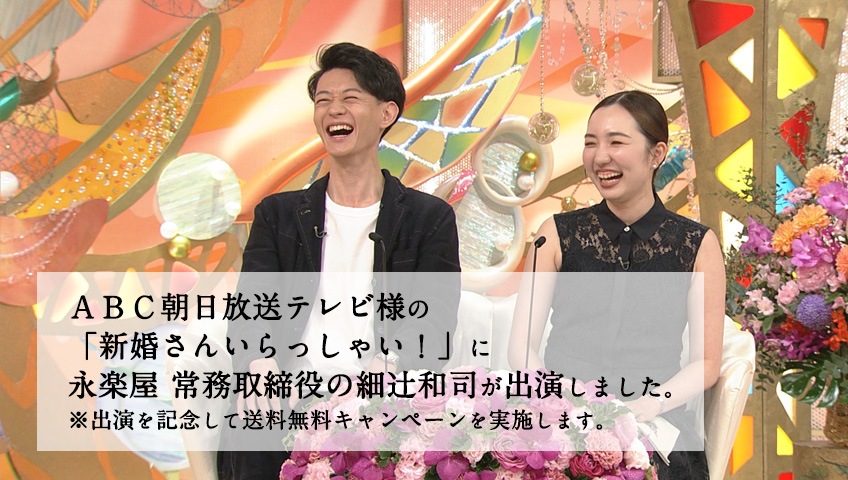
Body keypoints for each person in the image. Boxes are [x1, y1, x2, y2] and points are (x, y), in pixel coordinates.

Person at [217, 42, 461, 480]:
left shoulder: (429, 219)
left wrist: (389, 367)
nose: (334, 110)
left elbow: (434, 321)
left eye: (350, 98)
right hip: (289, 398)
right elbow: (252, 308)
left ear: (386, 113)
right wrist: (259, 361)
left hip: (379, 402)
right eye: (323, 100)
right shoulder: (278, 215)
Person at [508, 91, 724, 479]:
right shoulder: (555, 234)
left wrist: (649, 406)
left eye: (616, 142)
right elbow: (521, 347)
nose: (600, 157)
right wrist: (559, 403)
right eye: (591, 143)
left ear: (656, 154)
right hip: (562, 418)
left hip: (650, 420)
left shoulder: (696, 244)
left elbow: (706, 364)